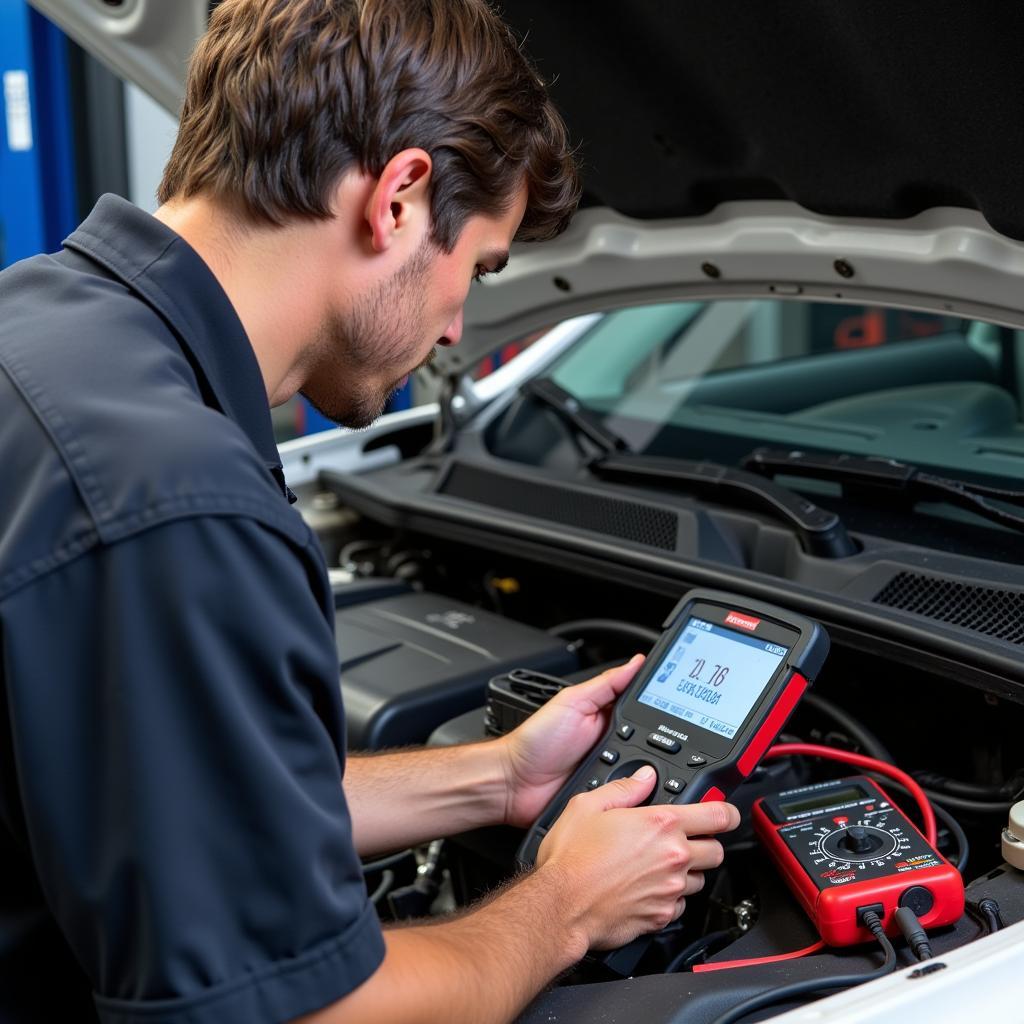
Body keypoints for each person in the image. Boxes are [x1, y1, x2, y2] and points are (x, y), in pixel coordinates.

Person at [0, 1, 739, 1022]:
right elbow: (297, 1012)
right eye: (474, 269)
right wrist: (567, 902)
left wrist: (495, 778)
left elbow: (211, 817)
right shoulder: (175, 501)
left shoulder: (40, 322)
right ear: (398, 198)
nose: (455, 328)